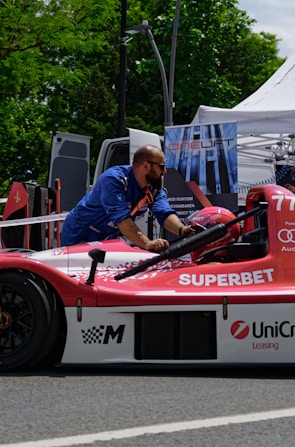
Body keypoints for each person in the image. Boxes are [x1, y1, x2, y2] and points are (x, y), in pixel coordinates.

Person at [61, 144, 193, 252]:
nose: (164, 172)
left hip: (107, 237)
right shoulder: (114, 180)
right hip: (80, 233)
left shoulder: (153, 188)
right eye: (162, 166)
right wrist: (147, 243)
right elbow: (122, 220)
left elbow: (164, 213)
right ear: (146, 166)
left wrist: (182, 230)